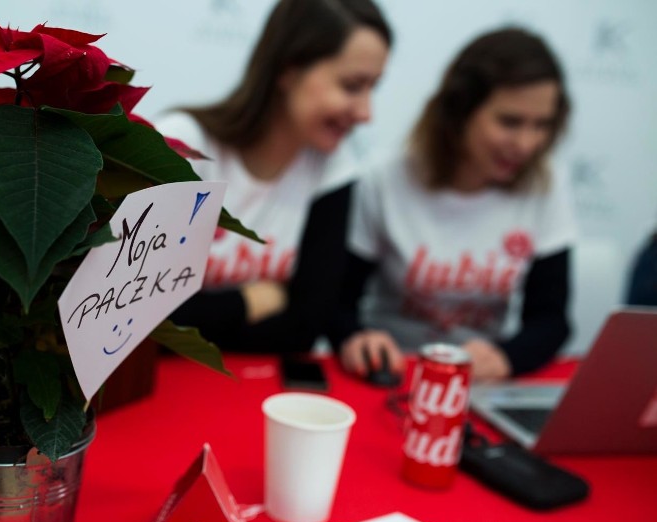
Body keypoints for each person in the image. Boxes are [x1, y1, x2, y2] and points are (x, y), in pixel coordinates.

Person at [337, 27, 576, 382]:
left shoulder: (546, 184)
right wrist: (356, 339)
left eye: (542, 125)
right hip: (392, 372)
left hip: (480, 381)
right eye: (510, 122)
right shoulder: (385, 177)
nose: (526, 144)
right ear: (459, 111)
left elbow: (551, 319)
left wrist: (505, 358)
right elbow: (337, 300)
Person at [158, 0, 392, 352]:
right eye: (351, 85)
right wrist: (250, 301)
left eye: (373, 87)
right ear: (288, 69)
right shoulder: (184, 143)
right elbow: (138, 318)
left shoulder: (334, 165)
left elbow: (305, 327)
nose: (366, 113)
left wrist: (204, 313)